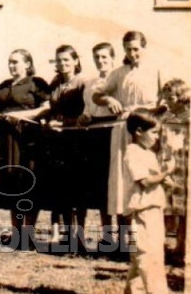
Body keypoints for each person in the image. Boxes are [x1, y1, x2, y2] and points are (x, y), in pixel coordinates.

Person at [93, 31, 162, 246]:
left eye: (136, 49)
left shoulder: (155, 70)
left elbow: (167, 99)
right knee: (122, 179)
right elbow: (98, 94)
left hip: (147, 130)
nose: (133, 54)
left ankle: (145, 237)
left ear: (144, 48)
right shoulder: (119, 72)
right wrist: (109, 99)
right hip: (123, 129)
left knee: (145, 178)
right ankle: (123, 240)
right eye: (128, 49)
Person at [0, 49, 51, 248]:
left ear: (27, 63)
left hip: (27, 139)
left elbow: (48, 107)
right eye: (10, 62)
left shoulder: (36, 83)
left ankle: (29, 234)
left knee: (28, 183)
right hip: (6, 140)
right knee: (12, 184)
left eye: (16, 62)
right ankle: (16, 233)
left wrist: (25, 116)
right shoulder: (4, 85)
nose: (12, 65)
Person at [41, 45, 88, 250]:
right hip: (55, 142)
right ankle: (61, 235)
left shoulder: (83, 83)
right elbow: (50, 110)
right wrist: (48, 122)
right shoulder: (55, 83)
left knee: (77, 189)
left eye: (66, 60)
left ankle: (78, 237)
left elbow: (86, 116)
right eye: (58, 61)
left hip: (76, 141)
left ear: (76, 61)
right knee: (58, 189)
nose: (62, 64)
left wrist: (65, 124)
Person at [123, 109, 173, 294]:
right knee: (148, 257)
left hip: (154, 209)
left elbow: (154, 179)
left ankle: (133, 291)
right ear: (138, 132)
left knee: (146, 256)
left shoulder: (149, 154)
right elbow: (144, 181)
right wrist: (165, 173)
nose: (157, 137)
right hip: (142, 211)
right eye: (153, 132)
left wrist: (166, 180)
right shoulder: (132, 152)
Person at [80, 42, 119, 246]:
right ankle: (107, 234)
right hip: (94, 134)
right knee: (100, 184)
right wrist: (84, 117)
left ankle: (122, 236)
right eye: (97, 57)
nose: (101, 61)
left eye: (104, 57)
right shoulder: (90, 83)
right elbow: (88, 108)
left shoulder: (118, 78)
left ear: (112, 58)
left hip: (115, 130)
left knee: (116, 182)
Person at [160, 78, 189, 262]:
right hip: (168, 165)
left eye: (171, 98)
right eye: (166, 98)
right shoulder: (165, 117)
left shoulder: (189, 118)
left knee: (184, 208)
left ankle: (182, 246)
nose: (168, 101)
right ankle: (161, 245)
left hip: (185, 166)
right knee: (166, 206)